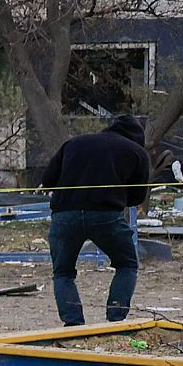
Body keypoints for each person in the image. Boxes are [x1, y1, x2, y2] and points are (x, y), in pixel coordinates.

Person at [43, 114, 152, 326]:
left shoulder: (74, 143)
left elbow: (47, 181)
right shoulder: (137, 152)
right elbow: (137, 198)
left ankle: (73, 324)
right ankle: (115, 319)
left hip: (64, 215)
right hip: (107, 215)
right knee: (127, 264)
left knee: (63, 272)